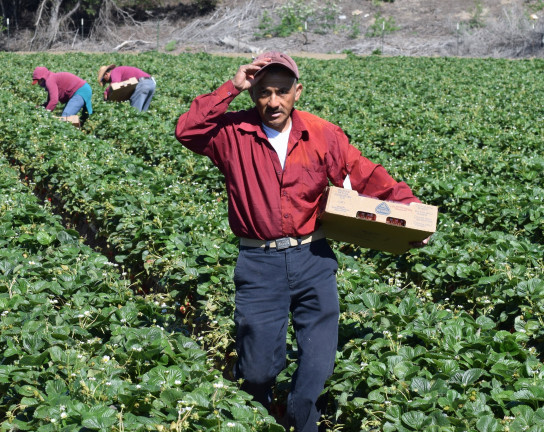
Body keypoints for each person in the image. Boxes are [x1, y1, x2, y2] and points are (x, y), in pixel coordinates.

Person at [175, 52, 426, 431]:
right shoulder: (231, 134)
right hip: (259, 263)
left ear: (298, 92)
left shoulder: (322, 133)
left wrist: (409, 210)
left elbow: (364, 173)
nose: (272, 102)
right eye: (262, 92)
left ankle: (301, 419)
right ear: (252, 93)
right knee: (257, 370)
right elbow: (187, 130)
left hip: (313, 257)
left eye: (281, 91)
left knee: (317, 367)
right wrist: (231, 86)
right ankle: (255, 417)